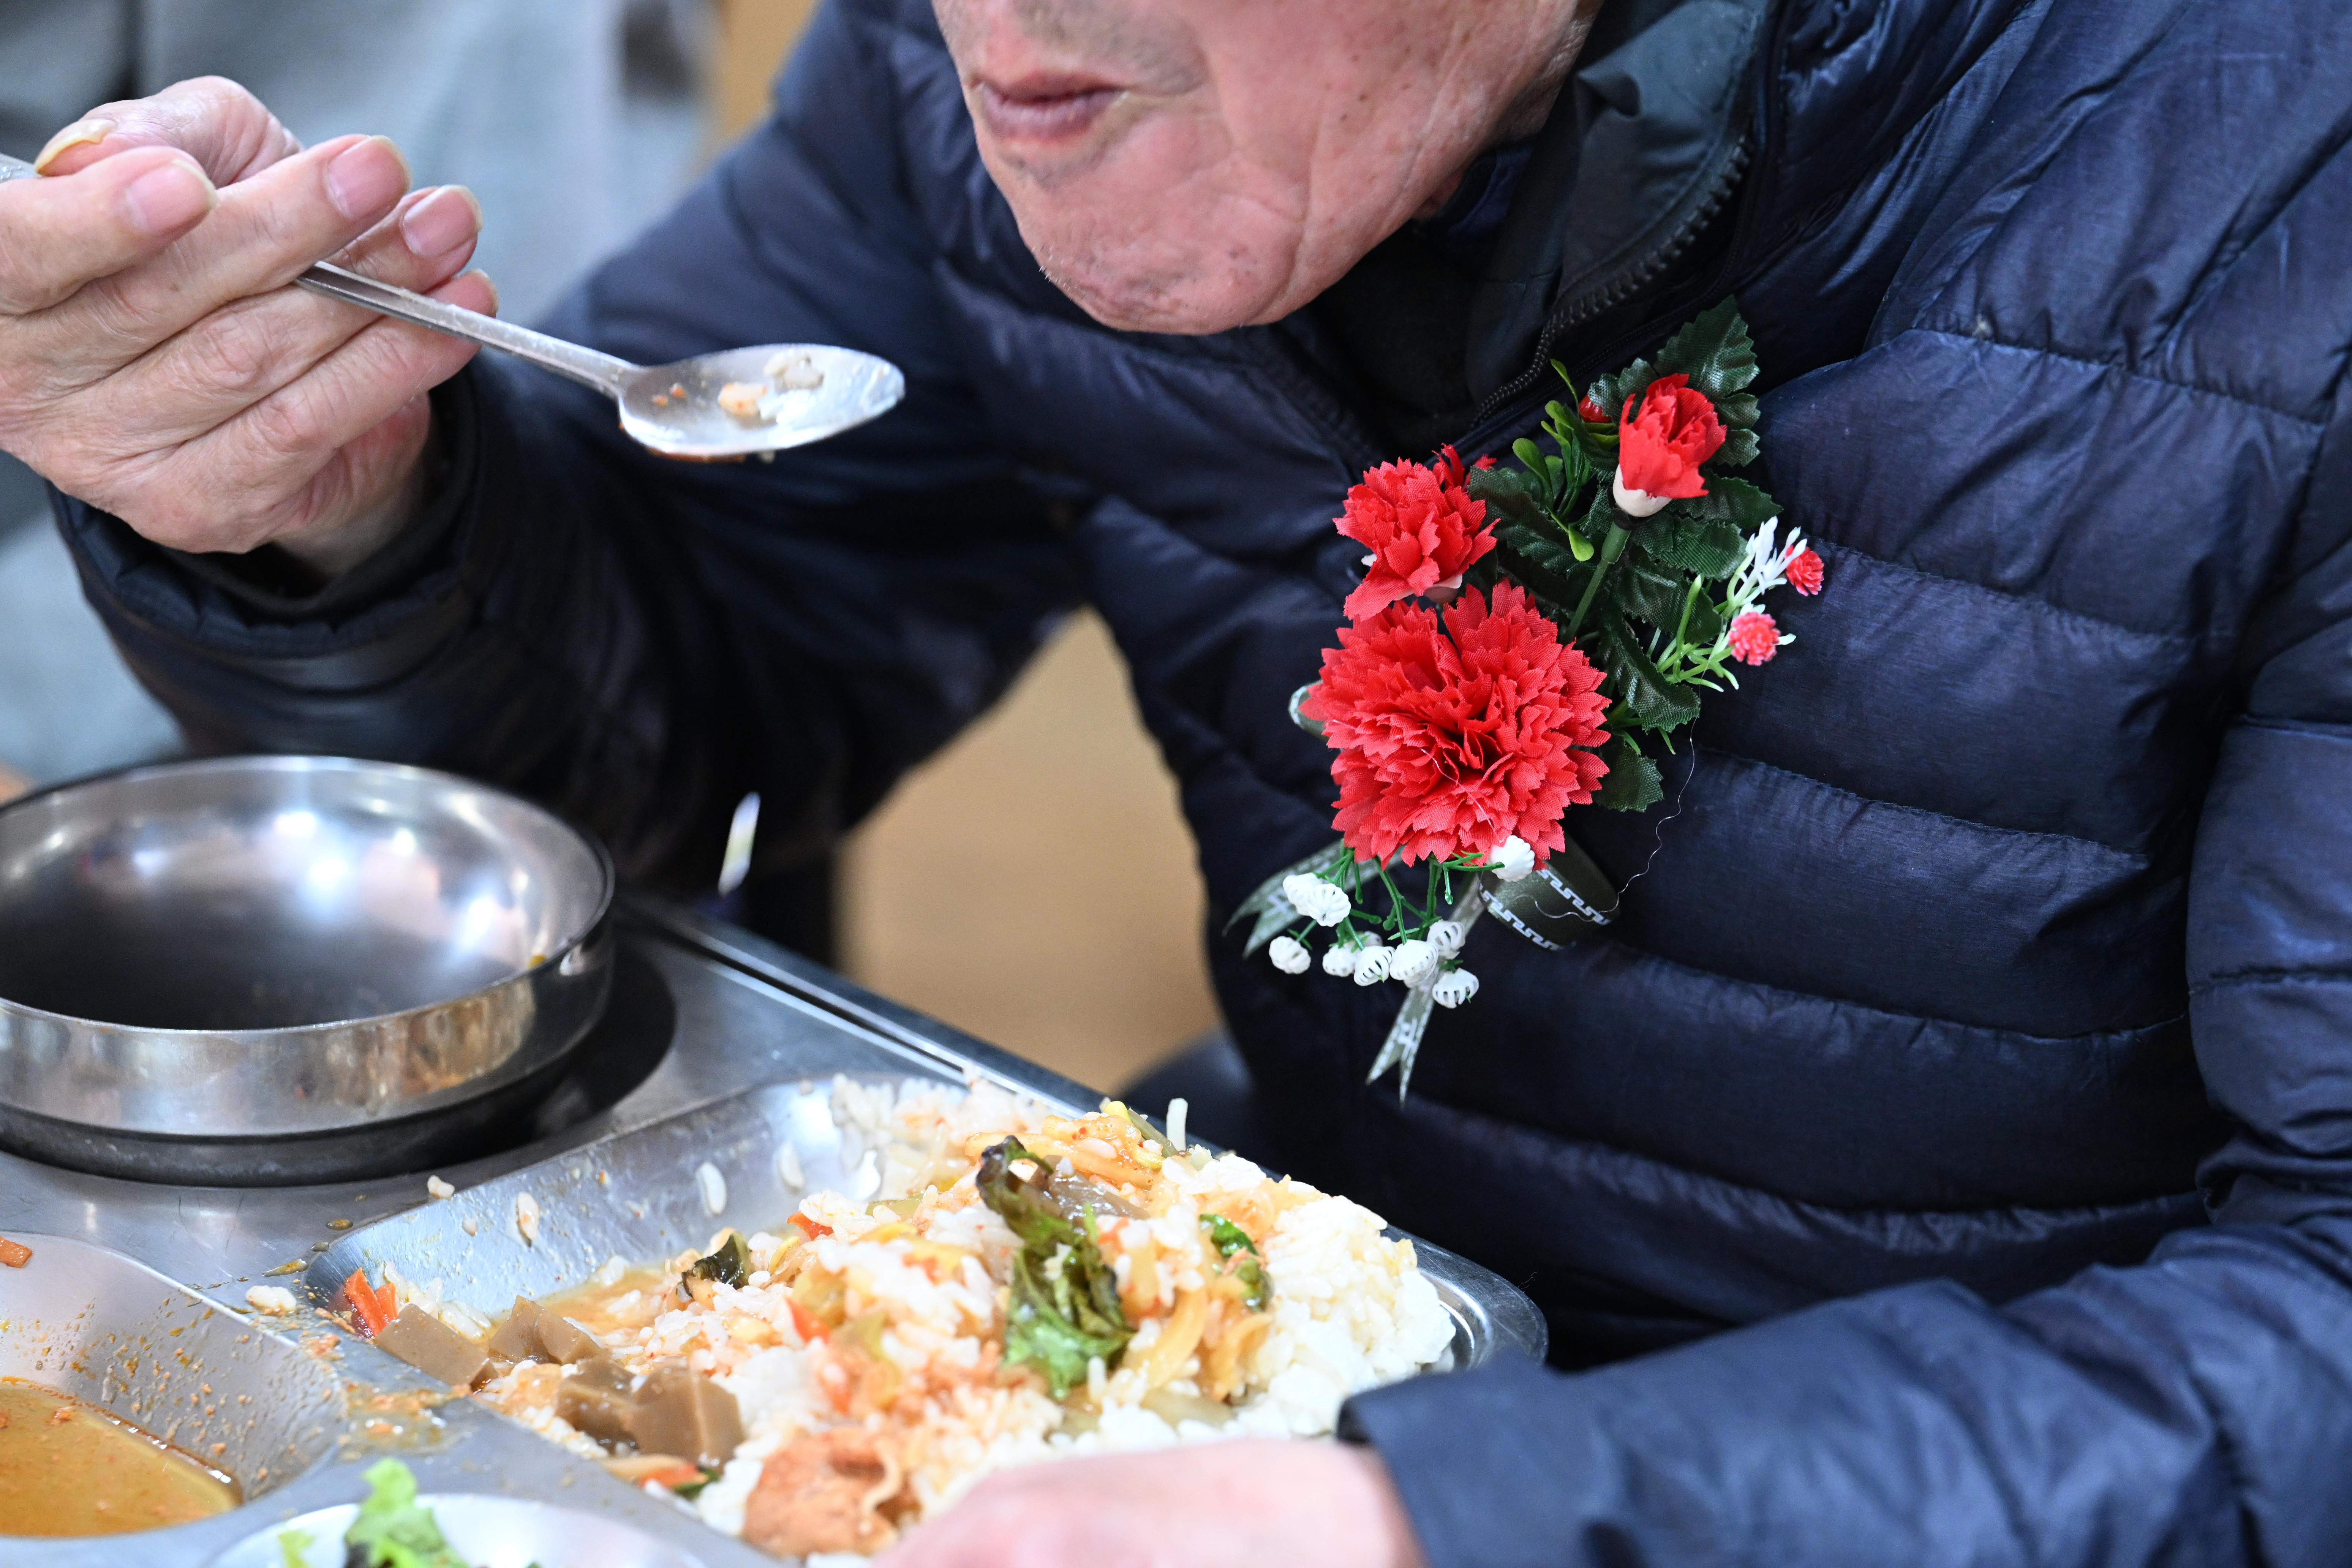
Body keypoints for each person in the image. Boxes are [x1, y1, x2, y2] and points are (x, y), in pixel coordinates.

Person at [1, 0, 2347, 1561]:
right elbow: (692, 676)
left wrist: (1481, 1521)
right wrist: (342, 514)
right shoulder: (997, 75)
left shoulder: (2275, 171)